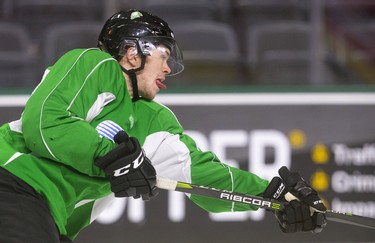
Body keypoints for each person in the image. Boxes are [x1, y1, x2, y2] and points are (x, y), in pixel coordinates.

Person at [0, 9, 326, 242]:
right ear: (131, 53)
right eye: (164, 55)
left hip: (51, 218)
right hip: (11, 182)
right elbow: (44, 122)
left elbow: (204, 176)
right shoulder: (94, 65)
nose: (169, 68)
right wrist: (109, 158)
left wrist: (275, 196)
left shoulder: (156, 121)